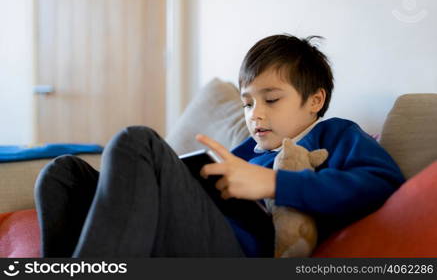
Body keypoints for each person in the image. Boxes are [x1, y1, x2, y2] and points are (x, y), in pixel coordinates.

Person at [34, 34, 405, 258]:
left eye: (271, 100)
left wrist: (274, 185)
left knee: (136, 142)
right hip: (187, 231)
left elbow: (382, 184)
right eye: (247, 103)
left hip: (242, 251)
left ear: (314, 100)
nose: (255, 114)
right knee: (63, 173)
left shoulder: (335, 135)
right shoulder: (246, 151)